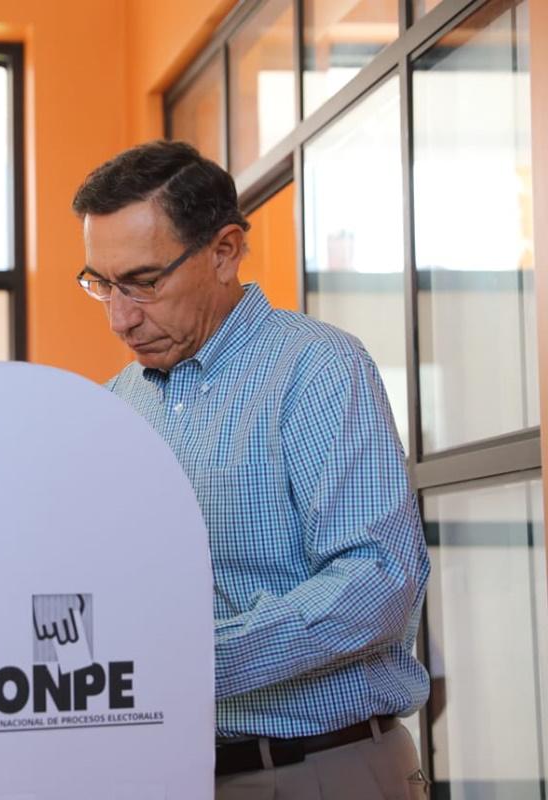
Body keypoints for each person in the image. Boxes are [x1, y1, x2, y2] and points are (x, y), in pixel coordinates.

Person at [71, 141, 429, 799]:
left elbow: (377, 582)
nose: (120, 317)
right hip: (167, 773)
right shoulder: (115, 402)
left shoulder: (319, 371)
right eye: (102, 284)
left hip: (320, 768)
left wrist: (184, 664)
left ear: (226, 251)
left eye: (144, 282)